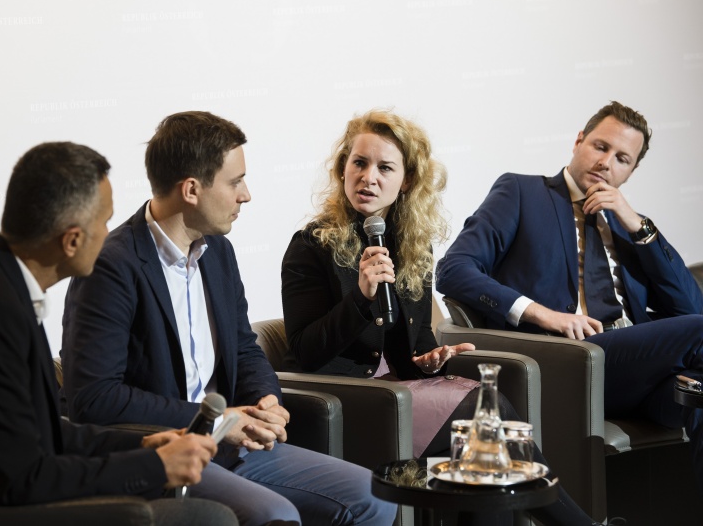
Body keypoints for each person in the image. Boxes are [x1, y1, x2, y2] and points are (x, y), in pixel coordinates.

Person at [61, 111, 397, 526]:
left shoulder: (217, 252)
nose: (246, 195)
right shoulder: (112, 266)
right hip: (160, 453)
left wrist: (265, 401)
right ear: (191, 190)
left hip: (231, 446)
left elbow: (243, 347)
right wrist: (219, 421)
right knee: (275, 515)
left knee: (374, 496)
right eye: (236, 182)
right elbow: (94, 399)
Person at [280, 109, 603, 526]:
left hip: (398, 391)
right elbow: (306, 352)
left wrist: (431, 357)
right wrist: (360, 298)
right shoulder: (311, 245)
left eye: (385, 167)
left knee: (484, 450)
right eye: (358, 163)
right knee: (486, 418)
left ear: (407, 180)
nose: (368, 177)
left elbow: (409, 346)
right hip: (349, 400)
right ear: (343, 168)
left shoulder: (412, 245)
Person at [0, 142, 237, 525]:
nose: (110, 233)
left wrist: (143, 444)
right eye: (105, 221)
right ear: (72, 240)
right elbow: (21, 480)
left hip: (3, 493)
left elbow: (40, 434)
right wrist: (153, 467)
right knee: (207, 518)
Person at [435, 101, 703, 491]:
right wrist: (542, 314)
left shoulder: (630, 226)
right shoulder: (522, 192)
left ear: (632, 170)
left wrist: (637, 224)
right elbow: (453, 270)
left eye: (622, 158)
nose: (607, 162)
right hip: (566, 360)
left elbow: (690, 308)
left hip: (636, 375)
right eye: (600, 146)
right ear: (578, 141)